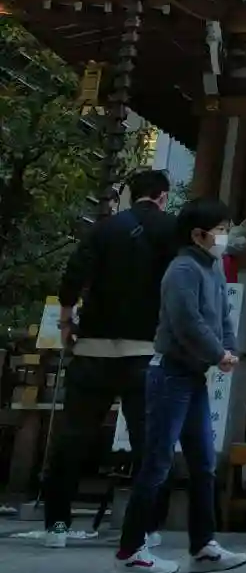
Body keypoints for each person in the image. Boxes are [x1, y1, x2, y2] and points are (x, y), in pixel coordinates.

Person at [113, 197, 246, 573]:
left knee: (204, 463)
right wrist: (218, 353)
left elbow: (222, 316)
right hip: (170, 374)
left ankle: (203, 546)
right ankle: (130, 551)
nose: (225, 236)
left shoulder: (212, 268)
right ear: (198, 234)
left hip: (192, 376)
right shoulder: (182, 269)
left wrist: (229, 349)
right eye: (220, 230)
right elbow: (186, 321)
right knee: (157, 462)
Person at [42, 169, 178, 548]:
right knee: (148, 442)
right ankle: (147, 527)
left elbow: (73, 276)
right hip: (146, 350)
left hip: (93, 347)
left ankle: (57, 524)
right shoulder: (172, 230)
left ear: (131, 195)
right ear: (163, 197)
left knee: (74, 436)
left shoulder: (105, 229)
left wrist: (66, 321)